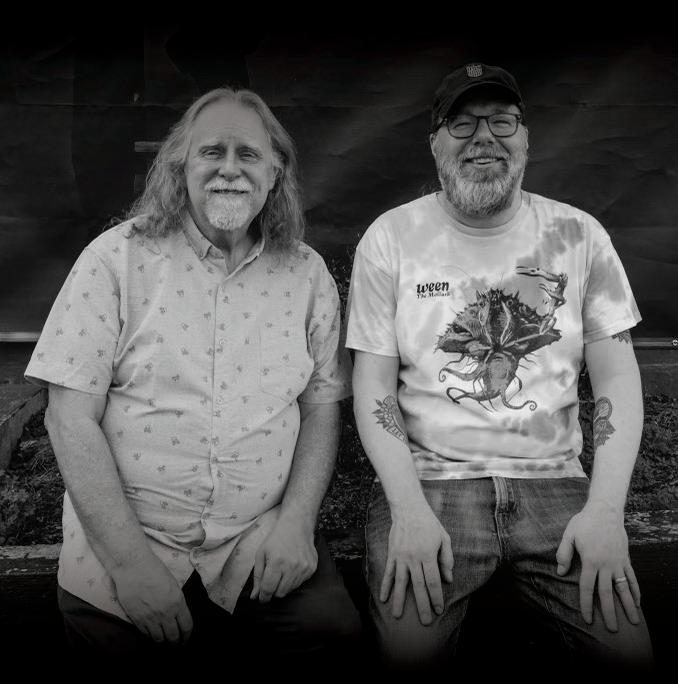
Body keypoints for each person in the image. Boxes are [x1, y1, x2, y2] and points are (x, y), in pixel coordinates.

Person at [25, 87, 360, 669]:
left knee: (334, 636)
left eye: (248, 154)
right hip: (130, 540)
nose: (229, 168)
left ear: (276, 171)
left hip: (255, 537)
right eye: (212, 152)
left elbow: (320, 407)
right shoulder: (114, 260)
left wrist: (298, 524)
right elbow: (69, 418)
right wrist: (130, 566)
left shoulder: (307, 275)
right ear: (180, 166)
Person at [346, 62, 654, 674]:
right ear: (434, 142)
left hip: (557, 486)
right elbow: (372, 383)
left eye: (502, 121)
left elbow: (618, 377)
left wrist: (605, 512)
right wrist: (407, 509)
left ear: (526, 137)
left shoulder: (580, 235)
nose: (483, 137)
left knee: (629, 657)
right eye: (461, 124)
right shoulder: (391, 238)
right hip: (431, 485)